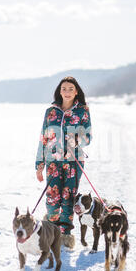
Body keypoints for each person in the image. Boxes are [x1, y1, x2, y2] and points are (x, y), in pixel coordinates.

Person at [35, 76, 92, 249]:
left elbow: (88, 137)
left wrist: (77, 139)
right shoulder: (50, 112)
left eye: (70, 89)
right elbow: (43, 138)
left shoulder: (83, 111)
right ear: (59, 91)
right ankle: (51, 226)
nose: (67, 92)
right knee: (52, 200)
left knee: (68, 199)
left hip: (74, 162)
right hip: (53, 162)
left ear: (76, 92)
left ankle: (65, 235)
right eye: (64, 89)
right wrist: (39, 164)